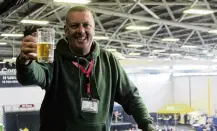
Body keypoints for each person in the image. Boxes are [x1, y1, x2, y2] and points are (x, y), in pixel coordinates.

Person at [16, 6, 155, 131]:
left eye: (86, 25)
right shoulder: (53, 58)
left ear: (93, 29)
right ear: (66, 31)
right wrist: (26, 62)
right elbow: (33, 75)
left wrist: (147, 125)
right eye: (74, 26)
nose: (81, 30)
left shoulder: (109, 60)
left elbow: (131, 97)